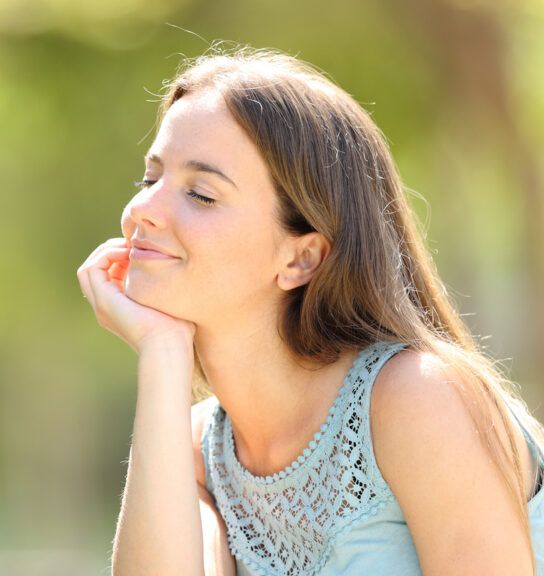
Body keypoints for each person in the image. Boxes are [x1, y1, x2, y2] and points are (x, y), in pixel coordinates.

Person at [76, 45, 544, 575]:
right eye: (150, 179)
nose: (141, 210)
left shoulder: (417, 398)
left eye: (201, 194)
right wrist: (161, 354)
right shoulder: (196, 450)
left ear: (301, 258)